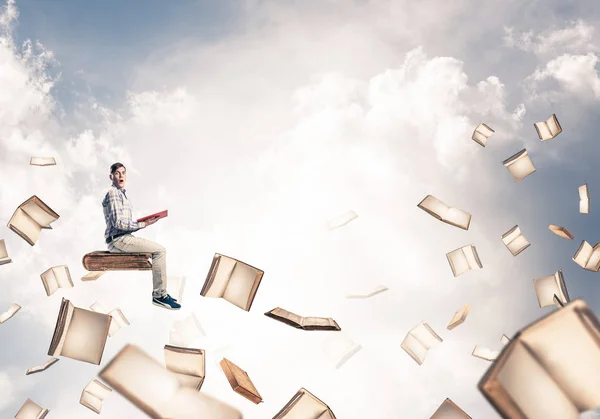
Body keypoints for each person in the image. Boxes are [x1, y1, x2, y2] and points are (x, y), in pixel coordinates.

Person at [102, 162, 181, 310]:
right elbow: (118, 224)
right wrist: (143, 224)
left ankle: (161, 294)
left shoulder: (122, 195)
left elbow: (123, 224)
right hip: (118, 240)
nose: (121, 176)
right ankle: (159, 296)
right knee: (160, 251)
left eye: (123, 173)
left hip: (124, 238)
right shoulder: (113, 193)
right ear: (111, 176)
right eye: (117, 173)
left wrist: (146, 222)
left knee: (155, 251)